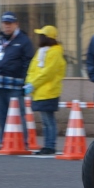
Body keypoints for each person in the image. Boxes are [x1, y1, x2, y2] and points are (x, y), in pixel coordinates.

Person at [0, 12, 34, 148]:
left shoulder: (24, 41)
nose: (7, 26)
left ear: (16, 24)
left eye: (10, 24)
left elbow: (28, 62)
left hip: (15, 85)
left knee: (19, 114)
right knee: (1, 115)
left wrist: (25, 81)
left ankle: (22, 141)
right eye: (5, 24)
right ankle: (3, 142)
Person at [24, 25, 66, 155]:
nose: (39, 38)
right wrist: (29, 83)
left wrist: (33, 84)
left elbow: (48, 73)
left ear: (48, 38)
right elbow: (33, 69)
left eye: (42, 35)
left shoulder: (54, 52)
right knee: (45, 121)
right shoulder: (42, 51)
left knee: (48, 120)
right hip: (40, 92)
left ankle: (50, 146)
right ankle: (47, 145)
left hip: (49, 91)